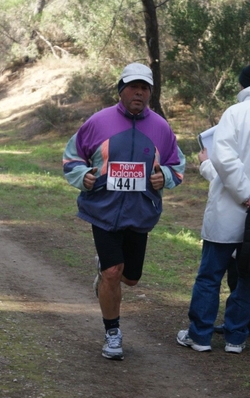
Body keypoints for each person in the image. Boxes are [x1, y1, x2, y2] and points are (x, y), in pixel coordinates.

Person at [63, 62, 185, 360]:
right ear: (121, 90)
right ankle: (112, 332)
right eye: (133, 87)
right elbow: (72, 159)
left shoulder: (161, 127)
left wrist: (164, 178)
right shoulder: (97, 122)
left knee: (130, 278)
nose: (139, 93)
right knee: (113, 272)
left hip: (141, 213)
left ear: (150, 93)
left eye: (145, 88)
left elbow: (177, 166)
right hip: (102, 210)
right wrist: (83, 177)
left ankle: (107, 272)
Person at [177, 64, 250, 354]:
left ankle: (201, 335)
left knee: (210, 276)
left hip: (228, 211)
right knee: (247, 278)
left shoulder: (235, 114)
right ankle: (235, 337)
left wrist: (246, 194)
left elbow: (225, 161)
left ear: (242, 85)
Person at [199, 148, 238, 334]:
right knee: (241, 279)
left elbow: (226, 175)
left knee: (209, 278)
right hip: (237, 224)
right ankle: (237, 331)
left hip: (224, 222)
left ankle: (200, 334)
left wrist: (206, 163)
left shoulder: (235, 126)